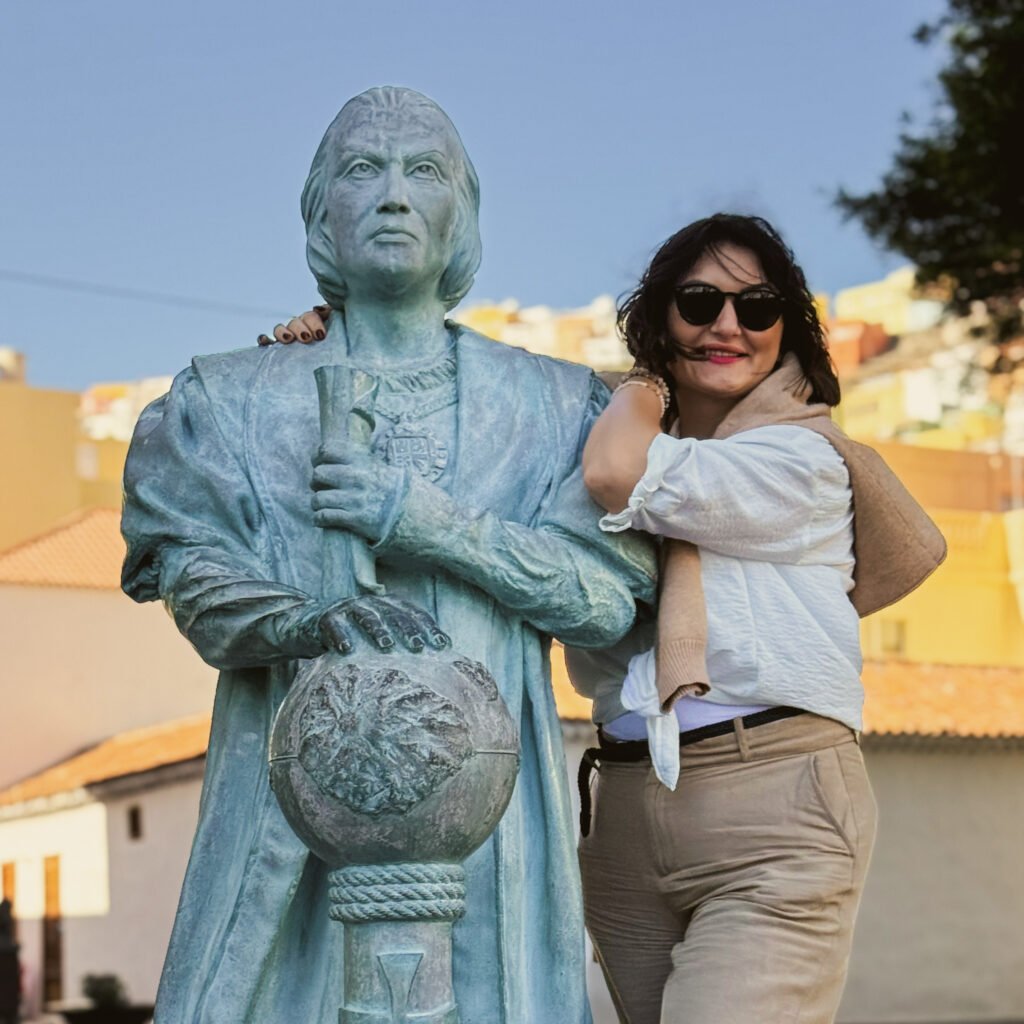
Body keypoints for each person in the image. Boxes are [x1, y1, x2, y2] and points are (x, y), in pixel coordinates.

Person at [121, 86, 654, 1024]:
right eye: (363, 170)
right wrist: (302, 618)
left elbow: (602, 602)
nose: (396, 195)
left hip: (491, 826)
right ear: (321, 211)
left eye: (426, 171)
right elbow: (190, 572)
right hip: (286, 820)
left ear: (464, 214)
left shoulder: (554, 407)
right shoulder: (228, 400)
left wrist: (425, 523)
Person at [563, 213, 945, 1024]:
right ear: (663, 313)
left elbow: (616, 474)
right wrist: (325, 331)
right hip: (627, 812)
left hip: (776, 809)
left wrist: (643, 382)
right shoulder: (611, 433)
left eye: (758, 306)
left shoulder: (804, 461)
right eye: (699, 302)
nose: (728, 325)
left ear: (786, 326)